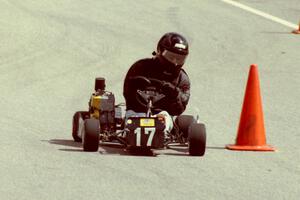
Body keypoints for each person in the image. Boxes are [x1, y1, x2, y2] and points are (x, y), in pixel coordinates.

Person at [123, 32, 191, 132]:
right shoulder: (140, 67)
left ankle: (160, 133)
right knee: (134, 120)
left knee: (163, 120)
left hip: (162, 114)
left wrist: (174, 94)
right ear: (160, 50)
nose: (175, 62)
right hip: (137, 111)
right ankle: (131, 131)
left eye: (179, 59)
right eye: (171, 56)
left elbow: (179, 110)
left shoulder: (182, 78)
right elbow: (128, 94)